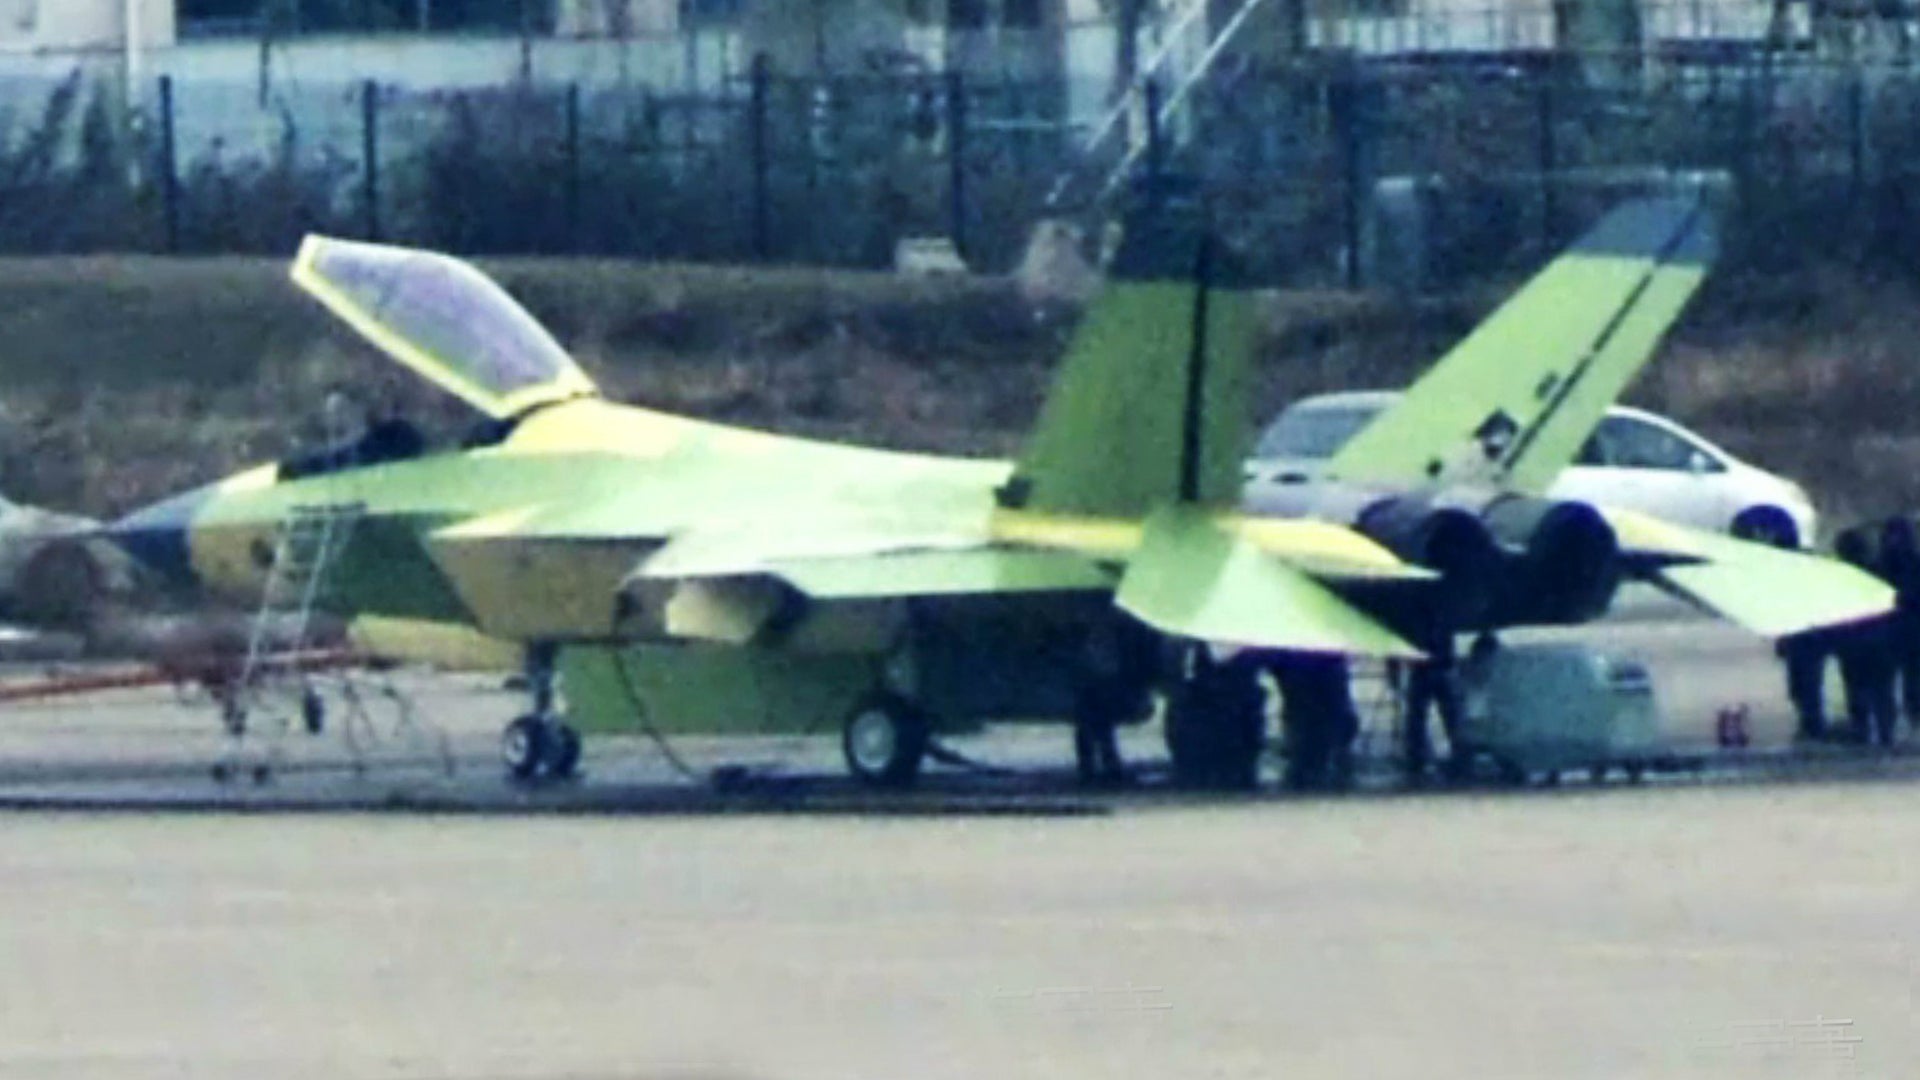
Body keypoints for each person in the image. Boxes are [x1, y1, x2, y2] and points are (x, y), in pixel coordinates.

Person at [1835, 527, 1899, 748]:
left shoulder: (1839, 577)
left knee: (1856, 687)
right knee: (1883, 688)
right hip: (1882, 638)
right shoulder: (1880, 570)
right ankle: (1885, 731)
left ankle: (1861, 729)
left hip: (1852, 640)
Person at [1272, 651, 1360, 792]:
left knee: (1306, 717)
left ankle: (1307, 769)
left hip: (1299, 663)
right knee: (1326, 716)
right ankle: (1323, 768)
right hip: (1321, 662)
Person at [1401, 632, 1467, 784]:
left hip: (1423, 667)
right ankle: (1460, 758)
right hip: (1442, 664)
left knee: (1418, 717)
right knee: (1452, 716)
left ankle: (1419, 759)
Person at [1877, 516, 1920, 729]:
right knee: (1912, 677)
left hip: (1888, 629)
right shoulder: (1914, 562)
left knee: (1888, 679)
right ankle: (1911, 716)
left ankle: (1890, 721)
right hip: (1910, 628)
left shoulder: (1879, 565)